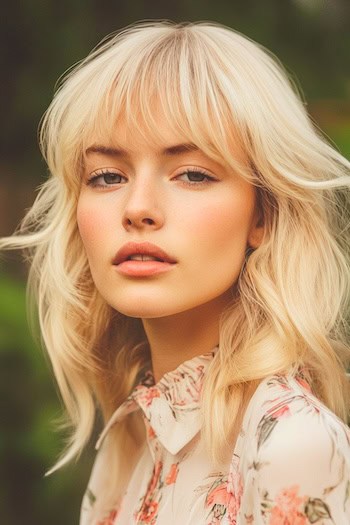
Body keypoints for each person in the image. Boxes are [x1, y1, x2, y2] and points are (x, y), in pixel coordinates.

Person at [1, 20, 350, 524]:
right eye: (107, 176)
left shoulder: (292, 444)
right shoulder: (129, 439)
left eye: (192, 174)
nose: (138, 208)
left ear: (263, 215)